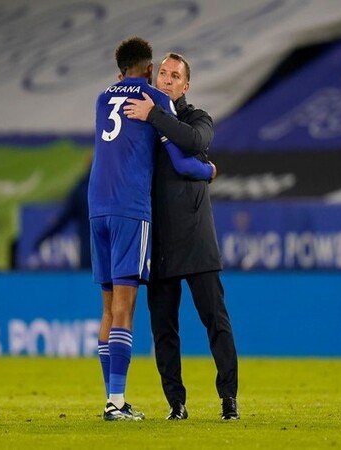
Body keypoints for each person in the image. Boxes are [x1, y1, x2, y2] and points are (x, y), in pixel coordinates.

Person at [89, 37, 215, 421]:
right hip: (129, 208)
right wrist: (208, 170)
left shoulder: (101, 98)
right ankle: (116, 403)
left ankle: (111, 399)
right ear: (148, 70)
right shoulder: (155, 99)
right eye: (157, 70)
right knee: (126, 306)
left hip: (97, 206)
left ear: (119, 68)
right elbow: (180, 160)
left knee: (108, 307)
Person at [123, 53, 239, 420]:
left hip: (196, 236)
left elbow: (191, 141)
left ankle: (228, 400)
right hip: (157, 240)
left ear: (186, 86)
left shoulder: (196, 118)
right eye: (163, 73)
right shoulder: (141, 126)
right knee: (164, 329)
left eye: (175, 76)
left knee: (215, 320)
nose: (167, 79)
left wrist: (156, 115)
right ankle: (176, 403)